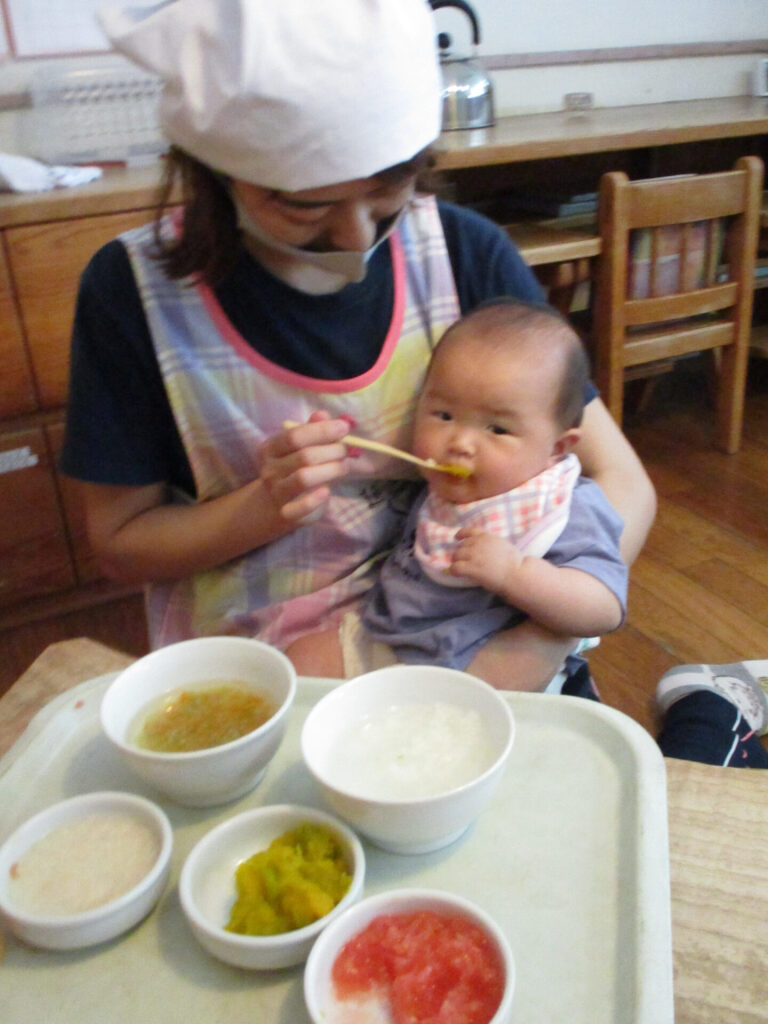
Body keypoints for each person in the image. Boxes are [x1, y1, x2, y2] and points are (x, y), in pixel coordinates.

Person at [60, 0, 656, 694]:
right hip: (264, 676)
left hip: (486, 654)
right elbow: (120, 545)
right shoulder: (133, 291)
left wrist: (536, 644)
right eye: (305, 206)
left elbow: (623, 484)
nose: (355, 240)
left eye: (388, 191)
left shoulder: (465, 254)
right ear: (215, 173)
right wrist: (262, 506)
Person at [359, 300, 627, 688]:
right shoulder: (440, 490)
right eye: (444, 416)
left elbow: (603, 608)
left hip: (480, 664)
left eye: (497, 429)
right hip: (391, 640)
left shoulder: (567, 508)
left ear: (557, 448)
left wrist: (514, 574)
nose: (460, 443)